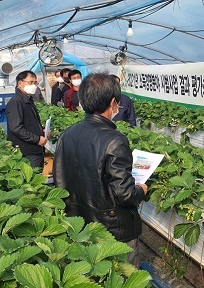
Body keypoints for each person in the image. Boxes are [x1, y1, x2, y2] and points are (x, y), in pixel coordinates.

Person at [53, 73, 148, 267]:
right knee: (124, 275)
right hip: (112, 229)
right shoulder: (114, 139)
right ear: (113, 103)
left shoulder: (67, 134)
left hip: (78, 223)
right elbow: (126, 194)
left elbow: (60, 178)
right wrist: (142, 190)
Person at [6, 70, 47, 167]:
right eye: (30, 82)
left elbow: (29, 123)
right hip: (27, 151)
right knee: (31, 179)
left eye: (35, 82)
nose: (34, 85)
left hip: (34, 149)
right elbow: (16, 127)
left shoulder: (28, 99)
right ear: (20, 83)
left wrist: (42, 130)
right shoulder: (16, 102)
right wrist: (36, 139)